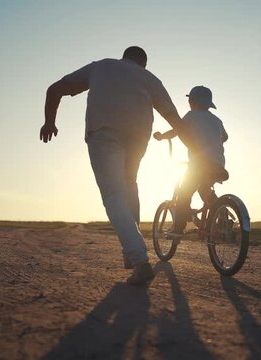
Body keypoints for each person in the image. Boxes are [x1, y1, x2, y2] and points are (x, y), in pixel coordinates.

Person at [40, 46, 183, 285]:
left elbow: (54, 90)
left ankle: (139, 259)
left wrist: (49, 122)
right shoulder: (150, 79)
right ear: (143, 64)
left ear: (124, 57)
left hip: (103, 132)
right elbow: (174, 118)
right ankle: (132, 254)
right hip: (138, 136)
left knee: (113, 194)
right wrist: (196, 147)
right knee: (129, 187)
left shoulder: (102, 66)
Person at [153, 86, 229, 237]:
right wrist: (212, 140)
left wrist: (162, 136)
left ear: (192, 101)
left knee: (184, 194)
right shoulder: (217, 120)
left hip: (199, 164)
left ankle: (178, 229)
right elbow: (225, 137)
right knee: (204, 191)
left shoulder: (191, 116)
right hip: (218, 164)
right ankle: (222, 215)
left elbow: (177, 130)